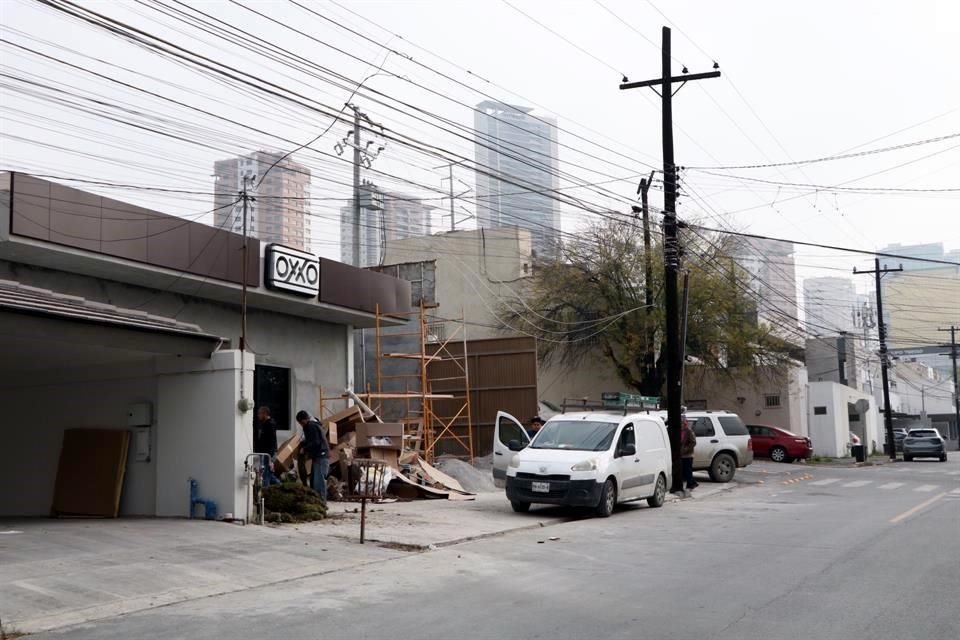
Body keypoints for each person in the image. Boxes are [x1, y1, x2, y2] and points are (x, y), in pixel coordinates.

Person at [297, 410, 329, 501]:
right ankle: (319, 501)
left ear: (304, 420)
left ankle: (321, 502)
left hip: (321, 456)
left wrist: (305, 448)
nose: (301, 425)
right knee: (315, 481)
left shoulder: (311, 426)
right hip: (319, 456)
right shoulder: (315, 425)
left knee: (318, 482)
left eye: (300, 423)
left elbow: (315, 442)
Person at [253, 406, 278, 487]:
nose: (258, 415)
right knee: (269, 475)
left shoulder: (270, 424)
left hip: (267, 453)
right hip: (265, 452)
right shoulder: (265, 424)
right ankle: (281, 487)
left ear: (265, 414)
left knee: (265, 474)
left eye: (259, 414)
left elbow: (270, 441)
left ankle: (265, 492)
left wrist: (271, 457)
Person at [680, 416, 698, 496]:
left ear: (685, 423)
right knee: (684, 471)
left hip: (688, 455)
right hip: (682, 455)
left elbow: (693, 442)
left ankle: (691, 484)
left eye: (683, 423)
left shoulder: (689, 431)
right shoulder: (681, 431)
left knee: (688, 471)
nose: (682, 424)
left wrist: (685, 449)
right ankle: (692, 483)